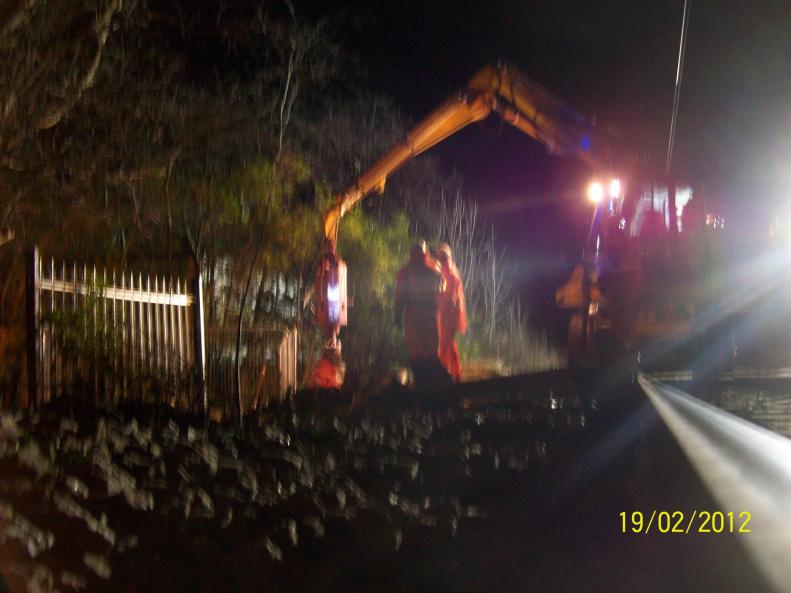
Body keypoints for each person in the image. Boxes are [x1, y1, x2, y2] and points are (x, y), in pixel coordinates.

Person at [394, 241, 445, 384]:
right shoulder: (432, 273)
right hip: (427, 317)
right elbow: (441, 291)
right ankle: (427, 385)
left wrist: (397, 316)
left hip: (417, 317)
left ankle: (423, 385)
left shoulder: (406, 274)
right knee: (426, 353)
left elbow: (400, 297)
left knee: (419, 353)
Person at [435, 242, 467, 381]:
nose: (440, 260)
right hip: (444, 314)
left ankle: (454, 373)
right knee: (443, 344)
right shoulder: (445, 271)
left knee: (447, 343)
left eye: (442, 257)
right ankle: (446, 371)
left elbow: (450, 297)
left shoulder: (451, 274)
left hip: (449, 315)